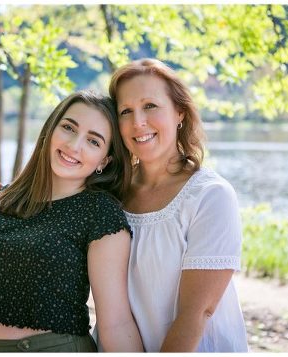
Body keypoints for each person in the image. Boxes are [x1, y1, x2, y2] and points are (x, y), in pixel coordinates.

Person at [0, 90, 143, 352]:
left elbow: (115, 321)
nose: (74, 145)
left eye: (93, 141)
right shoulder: (7, 198)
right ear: (51, 129)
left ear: (104, 160)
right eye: (69, 127)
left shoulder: (100, 212)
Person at [103, 58, 248, 352]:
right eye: (126, 111)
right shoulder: (111, 195)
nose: (138, 122)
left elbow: (196, 314)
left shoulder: (210, 196)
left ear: (179, 112)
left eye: (150, 106)